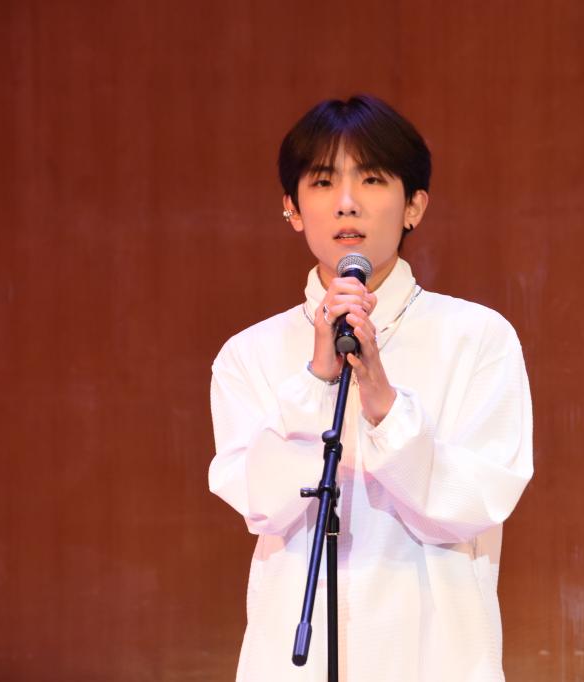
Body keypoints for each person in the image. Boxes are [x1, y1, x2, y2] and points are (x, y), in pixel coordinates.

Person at [208, 95, 533, 681]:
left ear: (414, 206)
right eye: (323, 181)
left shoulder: (478, 338)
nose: (347, 202)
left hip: (434, 657)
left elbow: (477, 501)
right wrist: (317, 378)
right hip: (296, 661)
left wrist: (383, 403)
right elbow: (264, 504)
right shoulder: (248, 356)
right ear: (292, 209)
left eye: (373, 179)